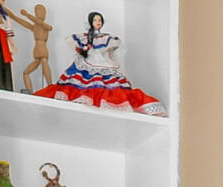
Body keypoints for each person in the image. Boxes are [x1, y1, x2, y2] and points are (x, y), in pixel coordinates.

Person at [35, 10, 163, 113]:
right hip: (88, 61)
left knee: (108, 82)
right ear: (90, 22)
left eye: (99, 20)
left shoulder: (106, 37)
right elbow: (79, 46)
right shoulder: (85, 37)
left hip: (102, 61)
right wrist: (84, 50)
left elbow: (110, 47)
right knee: (83, 80)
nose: (98, 22)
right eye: (95, 20)